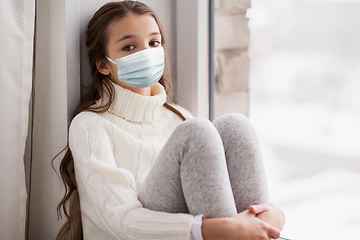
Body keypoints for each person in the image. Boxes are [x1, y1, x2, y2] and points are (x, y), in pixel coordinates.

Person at [55, 1, 285, 239]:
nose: (146, 53)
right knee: (196, 132)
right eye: (129, 47)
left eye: (153, 43)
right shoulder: (91, 127)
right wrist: (220, 229)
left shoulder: (178, 117)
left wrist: (274, 215)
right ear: (103, 64)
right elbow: (122, 221)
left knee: (235, 126)